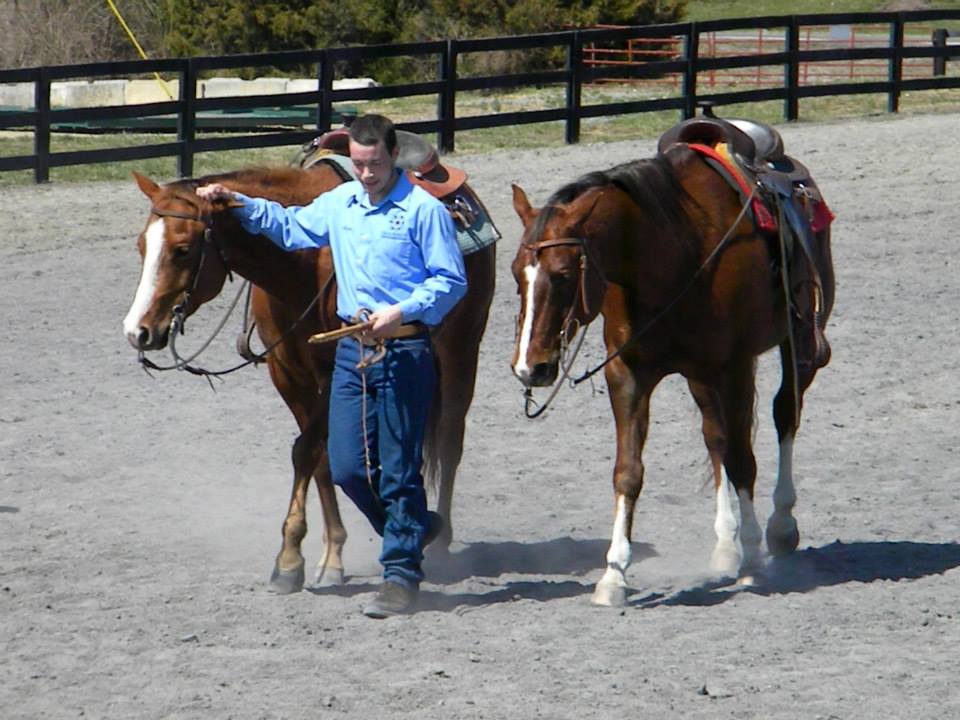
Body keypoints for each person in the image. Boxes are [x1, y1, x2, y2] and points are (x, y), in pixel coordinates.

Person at [197, 114, 467, 618]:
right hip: (352, 351)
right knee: (345, 467)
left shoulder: (422, 211)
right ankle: (411, 529)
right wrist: (237, 201)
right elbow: (289, 226)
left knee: (399, 470)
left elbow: (450, 281)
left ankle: (400, 577)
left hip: (404, 349)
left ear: (394, 157)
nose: (366, 174)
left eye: (375, 164)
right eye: (359, 164)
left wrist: (401, 311)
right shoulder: (340, 203)